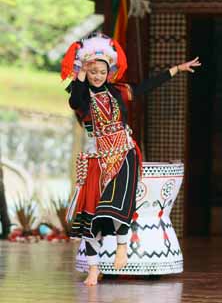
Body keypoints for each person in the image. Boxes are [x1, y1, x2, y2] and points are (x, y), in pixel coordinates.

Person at [61, 32, 201, 286]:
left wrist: (177, 68)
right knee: (92, 214)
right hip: (95, 157)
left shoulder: (119, 91)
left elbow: (146, 86)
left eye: (101, 71)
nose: (97, 76)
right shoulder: (81, 95)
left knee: (116, 204)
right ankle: (94, 269)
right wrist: (80, 72)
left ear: (108, 72)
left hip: (124, 152)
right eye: (93, 71)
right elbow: (75, 100)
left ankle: (122, 246)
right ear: (86, 71)